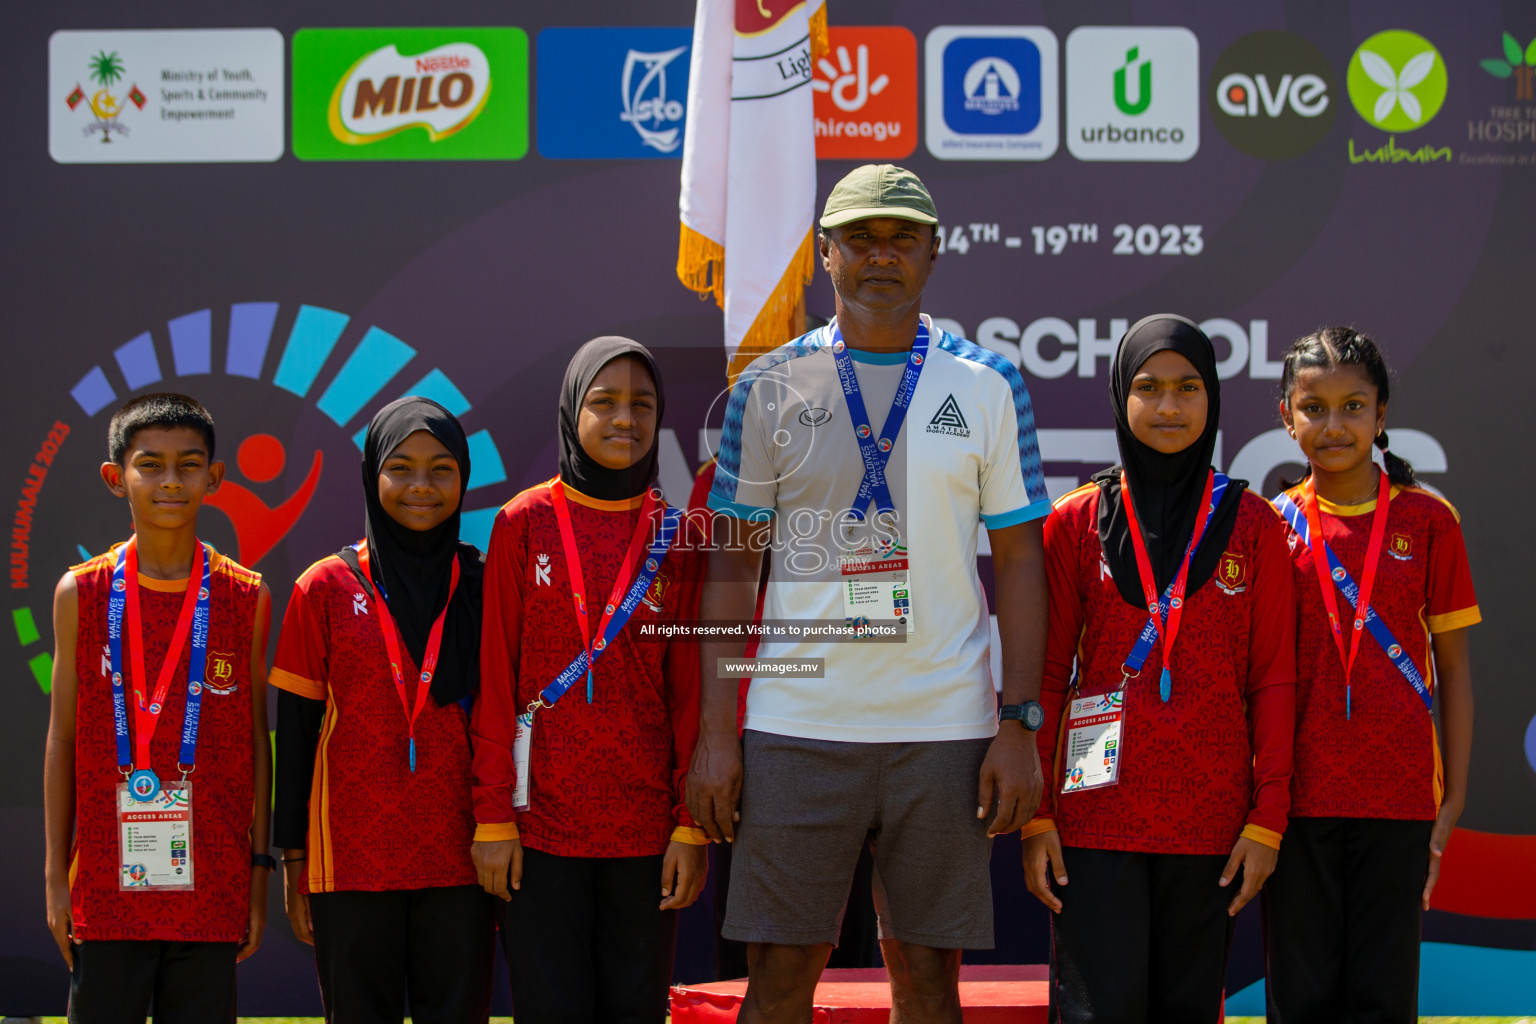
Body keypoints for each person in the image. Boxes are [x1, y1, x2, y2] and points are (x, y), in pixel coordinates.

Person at [690, 163, 1053, 1024]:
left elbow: (1022, 563)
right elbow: (733, 567)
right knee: (780, 978)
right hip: (795, 725)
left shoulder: (988, 384)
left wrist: (1019, 723)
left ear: (935, 252)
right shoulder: (767, 386)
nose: (879, 257)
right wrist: (718, 736)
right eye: (860, 238)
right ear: (825, 255)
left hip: (946, 729)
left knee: (927, 980)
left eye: (901, 239)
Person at [1020, 316, 1296, 1023]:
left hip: (1212, 821)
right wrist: (1037, 815)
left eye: (1187, 388)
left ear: (1213, 400)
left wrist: (1266, 821)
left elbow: (1270, 682)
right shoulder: (1075, 522)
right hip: (1093, 818)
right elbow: (1046, 678)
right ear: (1119, 396)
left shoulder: (1256, 526)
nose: (1169, 407)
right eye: (1148, 388)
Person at [471, 337, 709, 1024]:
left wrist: (688, 828)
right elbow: (495, 679)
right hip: (536, 826)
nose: (624, 419)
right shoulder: (524, 522)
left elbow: (690, 692)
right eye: (603, 403)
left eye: (642, 404)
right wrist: (492, 816)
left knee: (635, 1010)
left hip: (645, 829)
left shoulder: (675, 535)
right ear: (572, 410)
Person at [1263, 327, 1478, 1023]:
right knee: (1302, 995)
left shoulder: (1430, 521)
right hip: (1297, 798)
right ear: (1287, 418)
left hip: (1401, 796)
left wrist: (1451, 805)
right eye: (1313, 407)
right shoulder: (1271, 526)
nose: (1334, 425)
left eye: (1353, 406)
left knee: (1384, 999)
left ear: (1382, 415)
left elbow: (1455, 670)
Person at [43, 393, 272, 1023]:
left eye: (188, 464)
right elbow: (63, 738)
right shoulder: (80, 592)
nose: (170, 481)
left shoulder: (244, 595)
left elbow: (255, 743)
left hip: (212, 883)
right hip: (105, 887)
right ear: (117, 478)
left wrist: (256, 875)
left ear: (215, 477)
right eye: (150, 465)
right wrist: (55, 879)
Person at [270, 396, 494, 1022]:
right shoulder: (324, 588)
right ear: (372, 476)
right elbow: (294, 733)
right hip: (350, 861)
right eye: (401, 467)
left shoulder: (486, 586)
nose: (421, 487)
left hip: (464, 857)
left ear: (463, 478)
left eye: (441, 469)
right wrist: (293, 860)